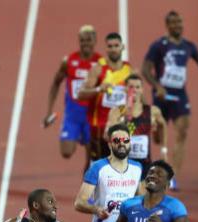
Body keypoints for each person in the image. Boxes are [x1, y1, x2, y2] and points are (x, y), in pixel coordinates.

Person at [142, 10, 198, 190]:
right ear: (168, 25)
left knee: (182, 133)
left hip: (179, 95)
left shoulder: (189, 46)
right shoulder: (159, 45)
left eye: (179, 23)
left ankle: (172, 176)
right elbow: (146, 69)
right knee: (158, 137)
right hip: (161, 95)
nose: (177, 26)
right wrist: (157, 86)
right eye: (173, 23)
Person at [43, 25, 103, 169]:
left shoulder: (101, 63)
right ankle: (78, 136)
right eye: (82, 40)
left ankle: (87, 189)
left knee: (91, 161)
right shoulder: (69, 61)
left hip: (91, 116)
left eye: (88, 40)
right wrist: (49, 111)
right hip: (73, 115)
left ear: (95, 40)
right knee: (66, 152)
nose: (85, 43)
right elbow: (55, 84)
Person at [78, 32, 133, 165]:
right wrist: (98, 89)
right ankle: (87, 186)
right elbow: (81, 94)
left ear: (122, 47)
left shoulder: (129, 71)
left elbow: (137, 99)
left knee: (118, 164)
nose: (113, 49)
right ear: (106, 48)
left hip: (119, 126)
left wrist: (131, 95)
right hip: (98, 126)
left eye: (116, 45)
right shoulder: (98, 69)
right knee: (96, 165)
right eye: (110, 46)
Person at [106, 73, 168, 179]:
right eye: (130, 87)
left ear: (142, 90)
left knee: (143, 194)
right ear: (125, 89)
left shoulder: (152, 111)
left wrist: (163, 150)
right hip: (122, 163)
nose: (134, 90)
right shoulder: (117, 111)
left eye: (137, 87)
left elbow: (163, 124)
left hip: (144, 164)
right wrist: (118, 126)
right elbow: (107, 135)